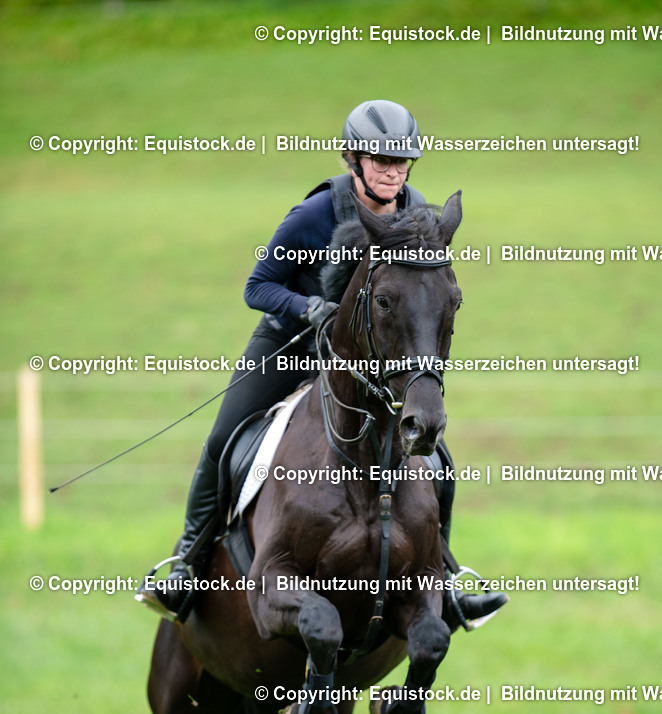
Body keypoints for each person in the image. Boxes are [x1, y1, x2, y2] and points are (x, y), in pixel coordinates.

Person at [136, 99, 508, 630]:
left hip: (366, 362)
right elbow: (257, 286)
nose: (391, 171)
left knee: (437, 459)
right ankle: (188, 564)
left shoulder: (415, 211)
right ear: (353, 159)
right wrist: (308, 307)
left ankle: (444, 579)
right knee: (224, 442)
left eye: (401, 163)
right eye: (380, 160)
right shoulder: (314, 215)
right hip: (291, 345)